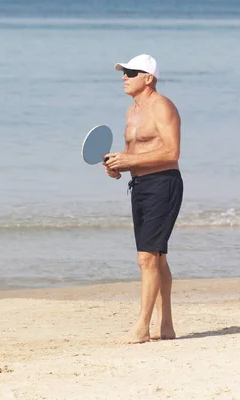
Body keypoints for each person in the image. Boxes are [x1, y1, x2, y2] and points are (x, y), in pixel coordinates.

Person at [103, 54, 183, 344]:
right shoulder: (131, 112)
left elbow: (172, 152)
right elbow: (133, 154)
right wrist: (118, 166)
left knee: (146, 257)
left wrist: (129, 159)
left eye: (132, 72)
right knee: (156, 256)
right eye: (124, 72)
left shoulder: (163, 107)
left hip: (164, 184)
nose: (125, 76)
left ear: (148, 78)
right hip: (139, 186)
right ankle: (167, 326)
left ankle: (142, 328)